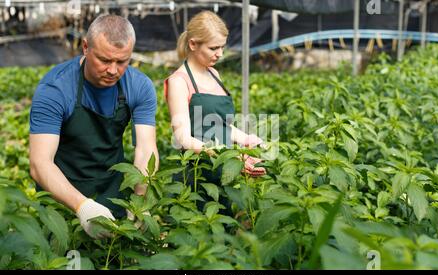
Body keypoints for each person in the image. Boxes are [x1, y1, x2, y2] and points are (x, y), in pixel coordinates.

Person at [29, 14, 159, 239]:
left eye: (122, 61)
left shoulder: (139, 86)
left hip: (112, 190)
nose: (113, 70)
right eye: (104, 60)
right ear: (86, 47)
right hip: (61, 193)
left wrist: (140, 200)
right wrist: (82, 207)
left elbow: (146, 149)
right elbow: (40, 163)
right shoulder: (55, 89)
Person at [164, 11, 266, 207]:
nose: (220, 54)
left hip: (222, 173)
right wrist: (229, 157)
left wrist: (246, 139)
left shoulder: (214, 73)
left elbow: (221, 125)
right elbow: (183, 138)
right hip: (196, 175)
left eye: (222, 47)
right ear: (193, 44)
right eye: (213, 48)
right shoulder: (179, 81)